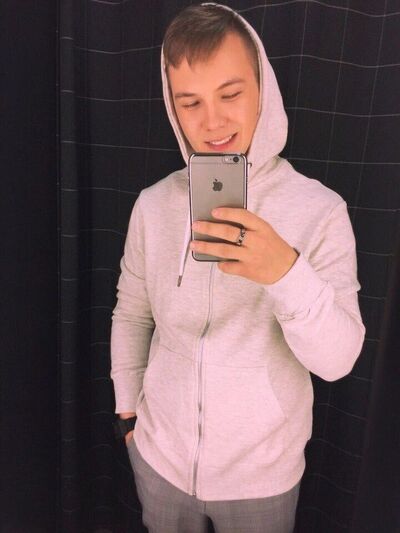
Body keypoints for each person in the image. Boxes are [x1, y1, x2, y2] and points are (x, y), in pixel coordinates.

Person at [110, 3, 366, 532]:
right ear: (173, 107)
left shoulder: (320, 210)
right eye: (190, 102)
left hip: (262, 480)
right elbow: (132, 315)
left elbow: (338, 361)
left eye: (230, 94)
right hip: (157, 460)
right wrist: (128, 415)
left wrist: (285, 272)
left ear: (262, 88)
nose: (212, 122)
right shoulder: (152, 206)